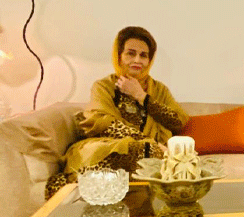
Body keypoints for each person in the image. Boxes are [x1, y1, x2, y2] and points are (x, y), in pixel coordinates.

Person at [45, 26, 188, 199]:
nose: (137, 60)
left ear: (150, 60)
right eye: (131, 53)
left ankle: (112, 187)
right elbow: (102, 121)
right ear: (119, 55)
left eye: (144, 55)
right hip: (111, 147)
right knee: (103, 152)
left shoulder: (159, 90)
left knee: (150, 154)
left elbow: (177, 121)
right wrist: (148, 142)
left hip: (147, 154)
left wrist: (141, 96)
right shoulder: (104, 86)